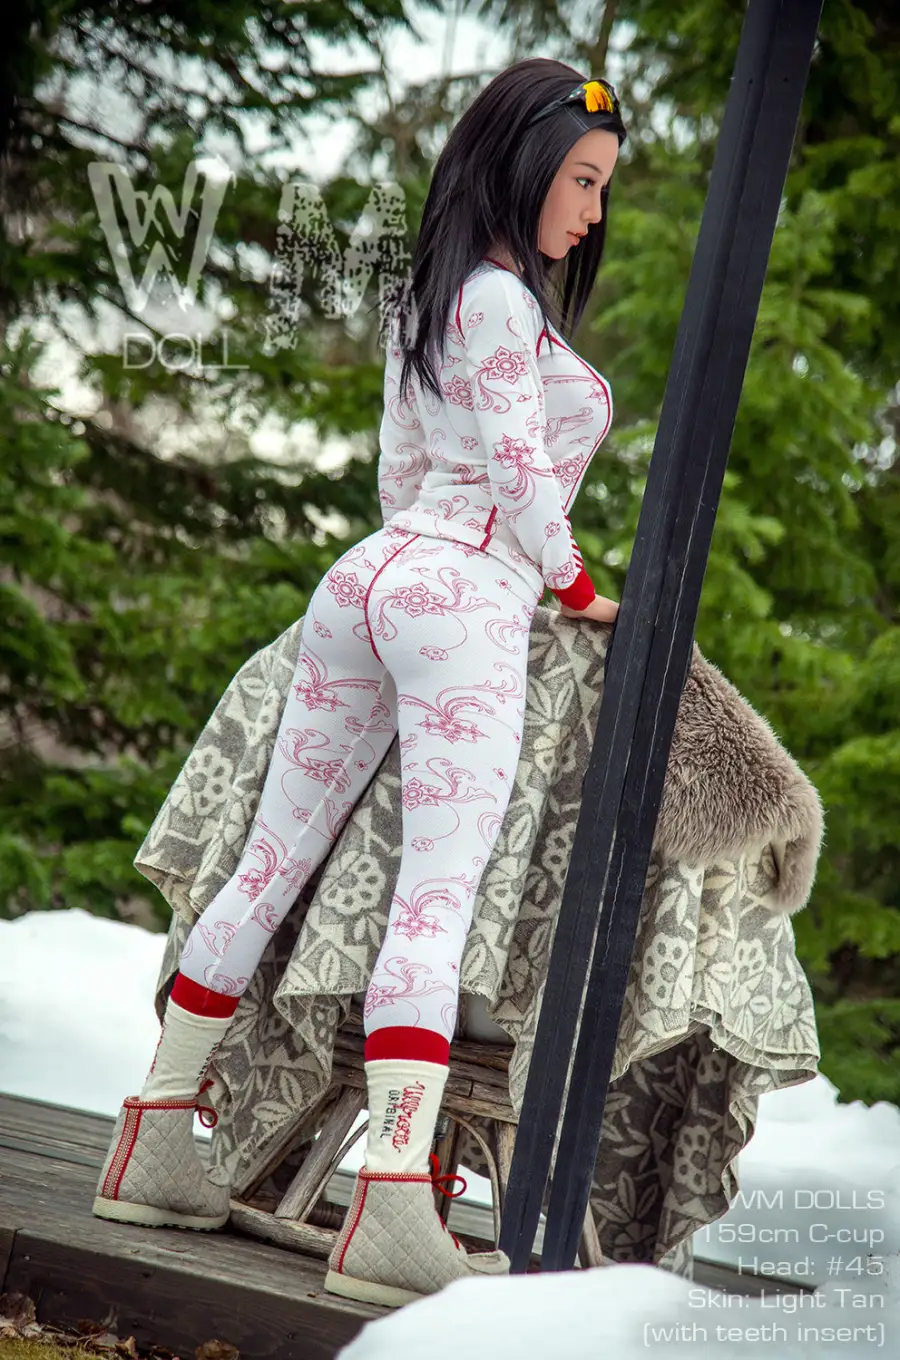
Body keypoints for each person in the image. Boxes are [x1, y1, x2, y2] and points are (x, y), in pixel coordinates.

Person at [92, 56, 628, 1309]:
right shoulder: (503, 301)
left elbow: (401, 470)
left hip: (370, 577)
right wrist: (573, 586)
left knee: (267, 865)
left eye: (602, 187)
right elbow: (519, 471)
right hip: (466, 593)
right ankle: (389, 1201)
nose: (592, 209)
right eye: (582, 180)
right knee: (432, 903)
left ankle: (154, 1142)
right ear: (524, 164)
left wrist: (426, 563)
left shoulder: (428, 294)